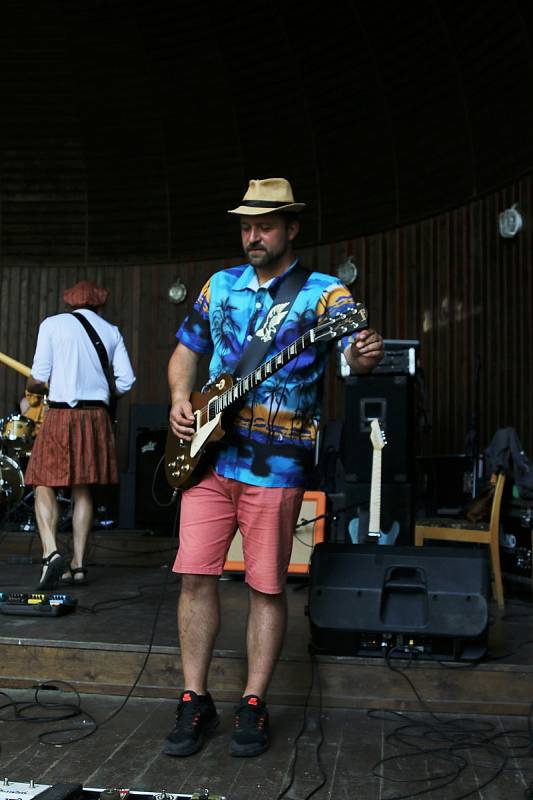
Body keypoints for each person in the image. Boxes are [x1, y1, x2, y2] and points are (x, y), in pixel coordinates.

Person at [165, 178, 384, 759]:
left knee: (266, 586)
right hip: (210, 459)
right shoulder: (219, 286)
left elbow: (354, 356)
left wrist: (361, 356)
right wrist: (179, 398)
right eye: (245, 226)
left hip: (278, 468)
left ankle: (254, 702)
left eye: (264, 225)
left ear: (291, 228)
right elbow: (186, 349)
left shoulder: (324, 295)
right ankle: (194, 698)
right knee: (194, 577)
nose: (252, 235)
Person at [25, 280, 136, 589]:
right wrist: (100, 390)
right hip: (96, 417)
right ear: (99, 304)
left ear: (70, 303)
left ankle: (51, 554)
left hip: (61, 414)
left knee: (42, 481)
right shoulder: (111, 331)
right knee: (83, 489)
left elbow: (39, 378)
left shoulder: (52, 325)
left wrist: (31, 383)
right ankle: (78, 565)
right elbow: (126, 381)